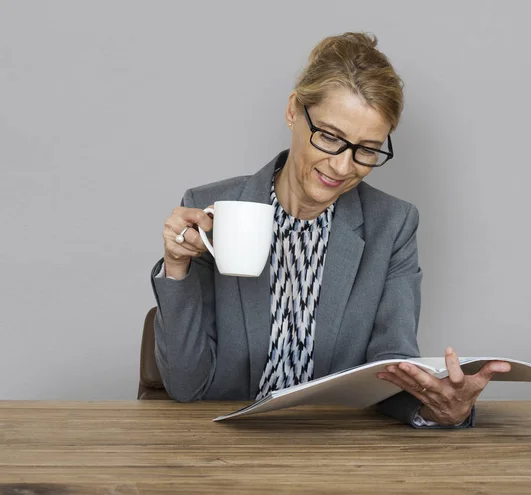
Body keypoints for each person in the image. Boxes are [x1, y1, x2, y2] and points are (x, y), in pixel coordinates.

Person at [150, 32, 511, 427]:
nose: (342, 167)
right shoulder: (212, 210)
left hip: (338, 446)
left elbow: (390, 370)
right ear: (293, 111)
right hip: (226, 445)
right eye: (329, 137)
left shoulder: (392, 225)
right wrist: (176, 268)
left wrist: (439, 409)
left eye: (367, 149)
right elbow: (186, 386)